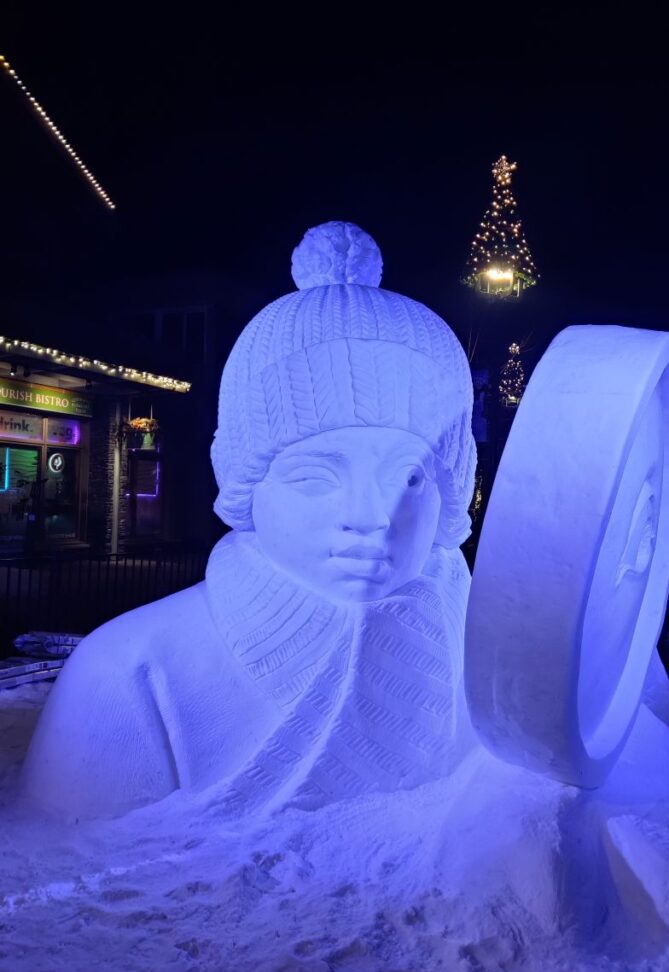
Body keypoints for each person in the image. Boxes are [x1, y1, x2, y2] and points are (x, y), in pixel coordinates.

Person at [20, 222, 477, 820]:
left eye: (411, 478)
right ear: (243, 482)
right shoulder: (128, 679)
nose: (371, 518)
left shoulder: (497, 661)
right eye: (316, 477)